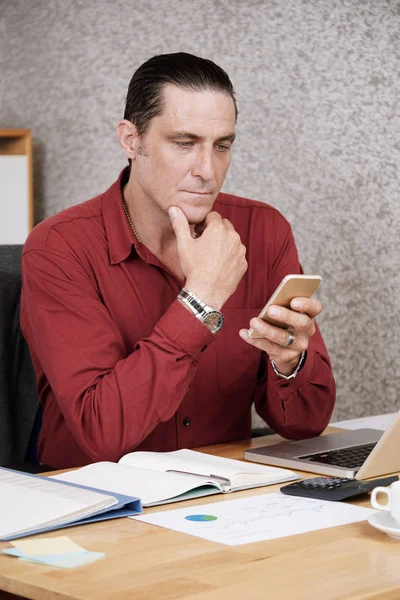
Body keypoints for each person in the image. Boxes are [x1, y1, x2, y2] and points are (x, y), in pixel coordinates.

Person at [21, 52, 336, 469]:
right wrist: (201, 298)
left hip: (220, 495)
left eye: (222, 146)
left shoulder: (265, 231)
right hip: (97, 504)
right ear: (131, 141)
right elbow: (101, 433)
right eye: (185, 144)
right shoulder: (58, 248)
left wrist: (290, 362)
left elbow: (306, 425)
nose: (208, 170)